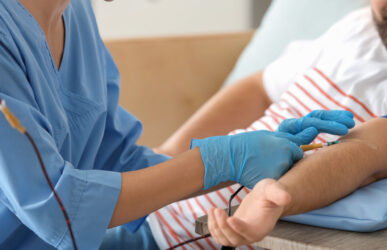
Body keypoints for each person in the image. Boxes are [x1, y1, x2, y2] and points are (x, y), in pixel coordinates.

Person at [0, 0, 358, 249]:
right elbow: (55, 208)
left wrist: (241, 155)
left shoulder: (74, 12)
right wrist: (219, 160)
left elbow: (116, 157)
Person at [152, 0, 387, 248]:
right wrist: (169, 153)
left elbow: (367, 152)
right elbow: (259, 88)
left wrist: (274, 200)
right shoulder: (358, 26)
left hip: (195, 238)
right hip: (155, 208)